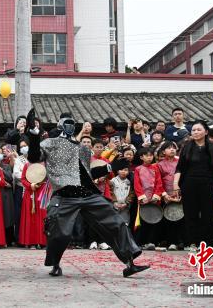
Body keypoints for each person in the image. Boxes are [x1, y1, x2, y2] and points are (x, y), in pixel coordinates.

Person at [26, 111, 148, 278]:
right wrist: (34, 134)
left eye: (72, 123)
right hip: (64, 194)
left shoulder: (82, 148)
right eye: (67, 122)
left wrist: (111, 167)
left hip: (88, 194)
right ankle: (55, 264)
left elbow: (87, 174)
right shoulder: (50, 143)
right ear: (60, 125)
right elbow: (34, 157)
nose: (70, 126)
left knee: (116, 222)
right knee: (59, 232)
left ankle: (130, 263)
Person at [173, 122, 213, 251]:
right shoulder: (187, 147)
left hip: (208, 184)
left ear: (206, 132)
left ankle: (207, 242)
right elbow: (179, 168)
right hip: (189, 184)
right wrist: (175, 184)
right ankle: (192, 242)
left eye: (198, 130)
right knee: (190, 213)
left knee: (208, 213)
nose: (195, 132)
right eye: (193, 130)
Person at [134, 149, 164, 250]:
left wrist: (156, 196)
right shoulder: (138, 169)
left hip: (154, 199)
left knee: (154, 220)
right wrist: (142, 197)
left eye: (151, 155)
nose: (149, 157)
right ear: (141, 157)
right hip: (143, 199)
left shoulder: (156, 168)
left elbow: (159, 183)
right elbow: (137, 184)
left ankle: (151, 242)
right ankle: (139, 242)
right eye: (146, 155)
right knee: (142, 221)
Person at [157, 141, 183, 250]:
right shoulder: (159, 164)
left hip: (180, 193)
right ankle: (171, 242)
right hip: (166, 194)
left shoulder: (181, 162)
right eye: (169, 148)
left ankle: (182, 242)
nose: (172, 149)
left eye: (173, 148)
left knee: (182, 218)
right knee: (169, 218)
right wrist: (164, 194)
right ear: (163, 152)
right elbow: (158, 181)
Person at [19, 161, 48, 248]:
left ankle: (42, 241)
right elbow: (23, 179)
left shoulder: (45, 164)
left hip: (42, 192)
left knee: (43, 216)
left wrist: (42, 183)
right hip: (30, 192)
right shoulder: (27, 165)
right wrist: (31, 185)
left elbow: (49, 178)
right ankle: (31, 242)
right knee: (31, 217)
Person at [0, 145, 16, 246]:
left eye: (0, 153)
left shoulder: (6, 166)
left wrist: (0, 170)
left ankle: (8, 239)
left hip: (6, 194)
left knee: (7, 216)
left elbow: (10, 178)